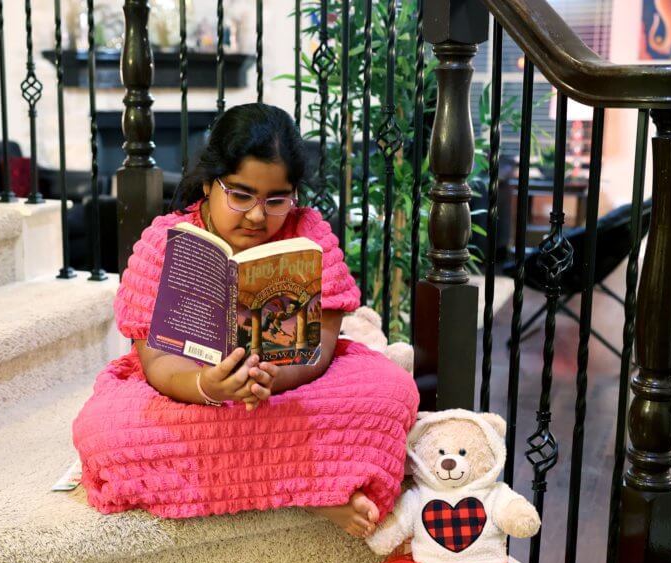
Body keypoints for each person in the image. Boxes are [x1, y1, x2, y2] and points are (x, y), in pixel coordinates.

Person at [72, 103, 419, 539]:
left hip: (290, 383)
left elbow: (323, 345)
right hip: (191, 390)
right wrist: (206, 387)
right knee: (104, 434)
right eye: (240, 195)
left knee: (391, 392)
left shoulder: (307, 233)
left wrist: (276, 379)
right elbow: (155, 359)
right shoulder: (165, 242)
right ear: (207, 184)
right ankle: (317, 488)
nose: (258, 216)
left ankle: (298, 483)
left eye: (277, 200)